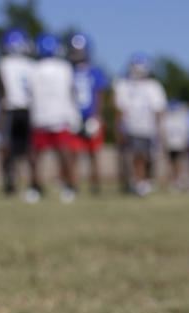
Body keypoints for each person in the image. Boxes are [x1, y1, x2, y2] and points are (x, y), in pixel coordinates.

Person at [27, 34, 80, 203]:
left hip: (40, 116)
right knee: (64, 153)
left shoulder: (34, 69)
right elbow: (72, 93)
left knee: (36, 155)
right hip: (60, 115)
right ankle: (70, 186)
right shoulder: (65, 68)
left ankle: (35, 187)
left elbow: (30, 94)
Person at [114, 53, 166, 196]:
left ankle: (143, 181)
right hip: (132, 127)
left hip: (148, 128)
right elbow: (121, 109)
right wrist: (119, 128)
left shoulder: (154, 86)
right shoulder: (124, 85)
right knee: (136, 156)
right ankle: (138, 182)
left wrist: (160, 129)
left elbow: (158, 110)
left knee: (148, 157)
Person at [0, 27, 36, 200]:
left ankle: (10, 183)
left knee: (7, 149)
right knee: (29, 149)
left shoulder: (3, 63)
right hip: (28, 109)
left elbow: (3, 91)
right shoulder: (32, 65)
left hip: (11, 109)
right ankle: (34, 183)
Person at [67, 33, 109, 195]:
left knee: (93, 155)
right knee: (73, 154)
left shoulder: (95, 71)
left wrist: (97, 117)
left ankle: (96, 188)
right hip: (74, 117)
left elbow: (100, 95)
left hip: (91, 117)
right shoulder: (68, 71)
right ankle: (72, 186)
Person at [163, 100, 189, 189]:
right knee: (172, 163)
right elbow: (164, 132)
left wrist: (185, 142)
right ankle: (174, 180)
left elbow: (185, 132)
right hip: (171, 144)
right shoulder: (167, 118)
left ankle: (181, 180)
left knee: (180, 163)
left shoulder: (181, 118)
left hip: (179, 144)